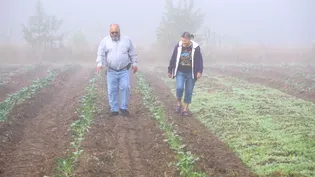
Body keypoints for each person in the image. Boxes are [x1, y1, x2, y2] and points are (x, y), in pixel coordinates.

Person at [96, 24, 138, 117]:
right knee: (112, 90)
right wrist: (100, 64)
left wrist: (134, 64)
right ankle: (114, 109)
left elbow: (133, 53)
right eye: (112, 32)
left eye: (116, 32)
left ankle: (124, 108)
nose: (115, 34)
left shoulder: (127, 40)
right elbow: (101, 53)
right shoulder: (105, 41)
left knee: (125, 87)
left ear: (119, 31)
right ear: (109, 32)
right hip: (111, 71)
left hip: (124, 70)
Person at [167, 32, 203, 116]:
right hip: (180, 71)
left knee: (189, 91)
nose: (183, 40)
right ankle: (179, 103)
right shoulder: (178, 46)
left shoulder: (196, 47)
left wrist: (199, 71)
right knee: (179, 88)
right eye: (182, 38)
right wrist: (170, 70)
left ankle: (185, 109)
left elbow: (199, 60)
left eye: (185, 39)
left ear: (189, 39)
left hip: (191, 73)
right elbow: (173, 58)